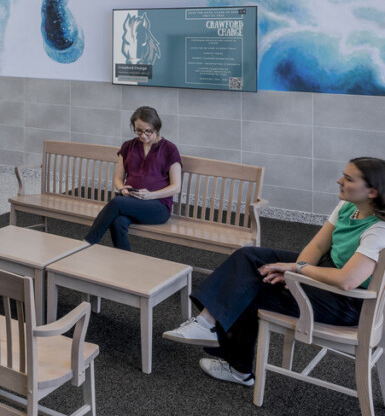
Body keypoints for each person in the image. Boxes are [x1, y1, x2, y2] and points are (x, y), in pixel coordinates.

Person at [164, 157, 385, 386]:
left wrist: (299, 270)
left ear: (372, 191)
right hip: (325, 272)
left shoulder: (378, 230)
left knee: (248, 290)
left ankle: (238, 370)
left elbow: (347, 280)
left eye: (348, 179)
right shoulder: (348, 206)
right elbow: (318, 246)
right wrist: (296, 276)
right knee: (248, 258)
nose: (339, 181)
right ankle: (205, 323)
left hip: (346, 303)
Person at [83, 106, 182, 250]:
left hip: (158, 206)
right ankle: (126, 262)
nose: (143, 135)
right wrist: (122, 189)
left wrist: (150, 195)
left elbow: (176, 187)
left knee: (117, 202)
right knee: (117, 221)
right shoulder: (128, 146)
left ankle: (87, 242)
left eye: (148, 131)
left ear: (156, 127)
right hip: (131, 201)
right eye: (139, 130)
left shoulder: (169, 149)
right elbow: (118, 178)